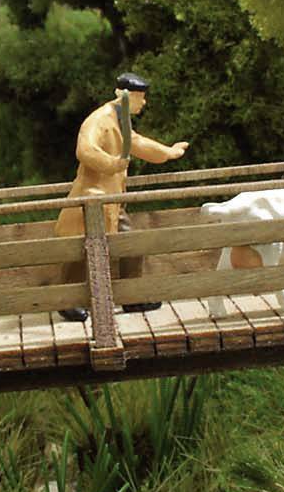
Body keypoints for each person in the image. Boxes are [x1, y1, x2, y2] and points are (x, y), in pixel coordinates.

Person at [55, 73, 188, 322]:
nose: (144, 103)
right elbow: (85, 149)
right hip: (91, 200)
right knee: (80, 250)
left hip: (112, 201)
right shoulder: (100, 120)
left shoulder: (121, 121)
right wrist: (112, 163)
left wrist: (168, 152)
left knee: (130, 244)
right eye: (140, 97)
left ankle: (130, 297)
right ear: (127, 96)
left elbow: (137, 143)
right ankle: (67, 301)